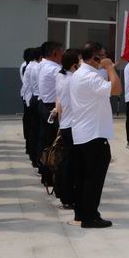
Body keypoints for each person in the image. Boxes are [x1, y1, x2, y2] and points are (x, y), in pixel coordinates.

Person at [70, 42, 121, 229]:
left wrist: (106, 68)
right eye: (103, 54)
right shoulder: (90, 76)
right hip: (93, 134)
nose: (105, 57)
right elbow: (116, 90)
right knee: (94, 178)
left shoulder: (79, 73)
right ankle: (90, 216)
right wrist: (110, 68)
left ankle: (81, 213)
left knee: (83, 177)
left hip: (83, 132)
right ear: (94, 57)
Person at [54, 49, 80, 209]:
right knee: (72, 163)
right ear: (74, 64)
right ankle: (68, 197)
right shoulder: (73, 79)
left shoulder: (60, 75)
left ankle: (64, 193)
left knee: (67, 161)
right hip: (72, 125)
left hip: (65, 123)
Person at [37, 41, 64, 162]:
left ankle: (42, 164)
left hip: (44, 104)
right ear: (54, 53)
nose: (62, 56)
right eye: (61, 52)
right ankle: (50, 165)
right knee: (53, 140)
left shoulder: (42, 64)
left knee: (44, 137)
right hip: (52, 107)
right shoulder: (55, 69)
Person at [23, 47, 42, 167]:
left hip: (32, 98)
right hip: (36, 98)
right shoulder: (36, 67)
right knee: (36, 130)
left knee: (33, 129)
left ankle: (32, 153)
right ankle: (35, 157)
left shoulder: (31, 66)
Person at [20, 48, 31, 153]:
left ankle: (28, 144)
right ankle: (28, 144)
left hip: (26, 95)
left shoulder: (25, 65)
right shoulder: (26, 66)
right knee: (28, 121)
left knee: (28, 120)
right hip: (28, 96)